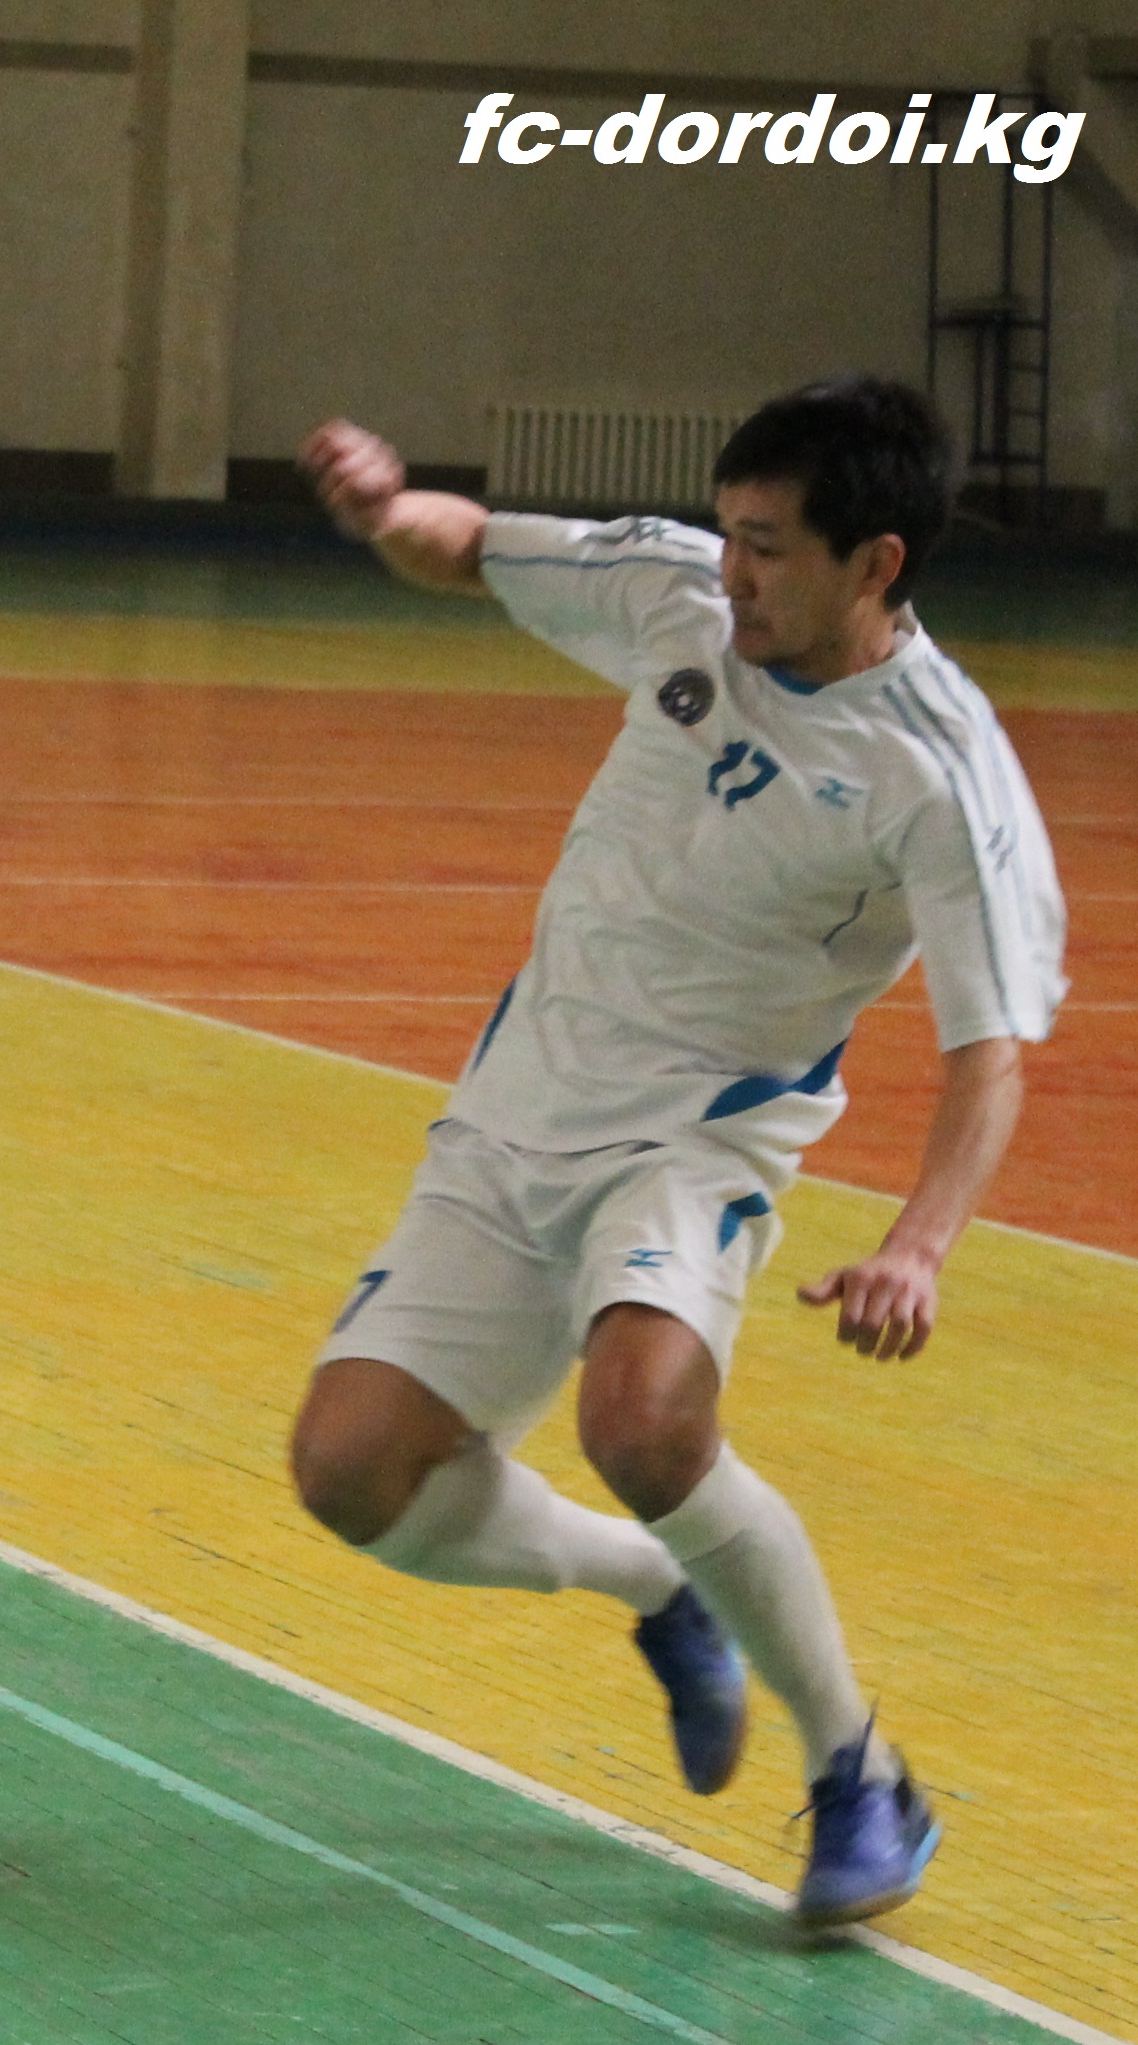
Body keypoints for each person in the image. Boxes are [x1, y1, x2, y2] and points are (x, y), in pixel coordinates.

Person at [287, 377, 1065, 1929]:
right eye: (730, 533)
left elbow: (992, 1049)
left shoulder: (942, 772)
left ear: (877, 564)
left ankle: (860, 1774)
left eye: (771, 549)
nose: (734, 574)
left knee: (641, 1424)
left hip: (698, 1134)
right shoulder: (679, 597)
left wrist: (919, 1245)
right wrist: (385, 512)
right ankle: (660, 1587)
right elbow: (469, 547)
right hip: (517, 1110)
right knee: (351, 1477)